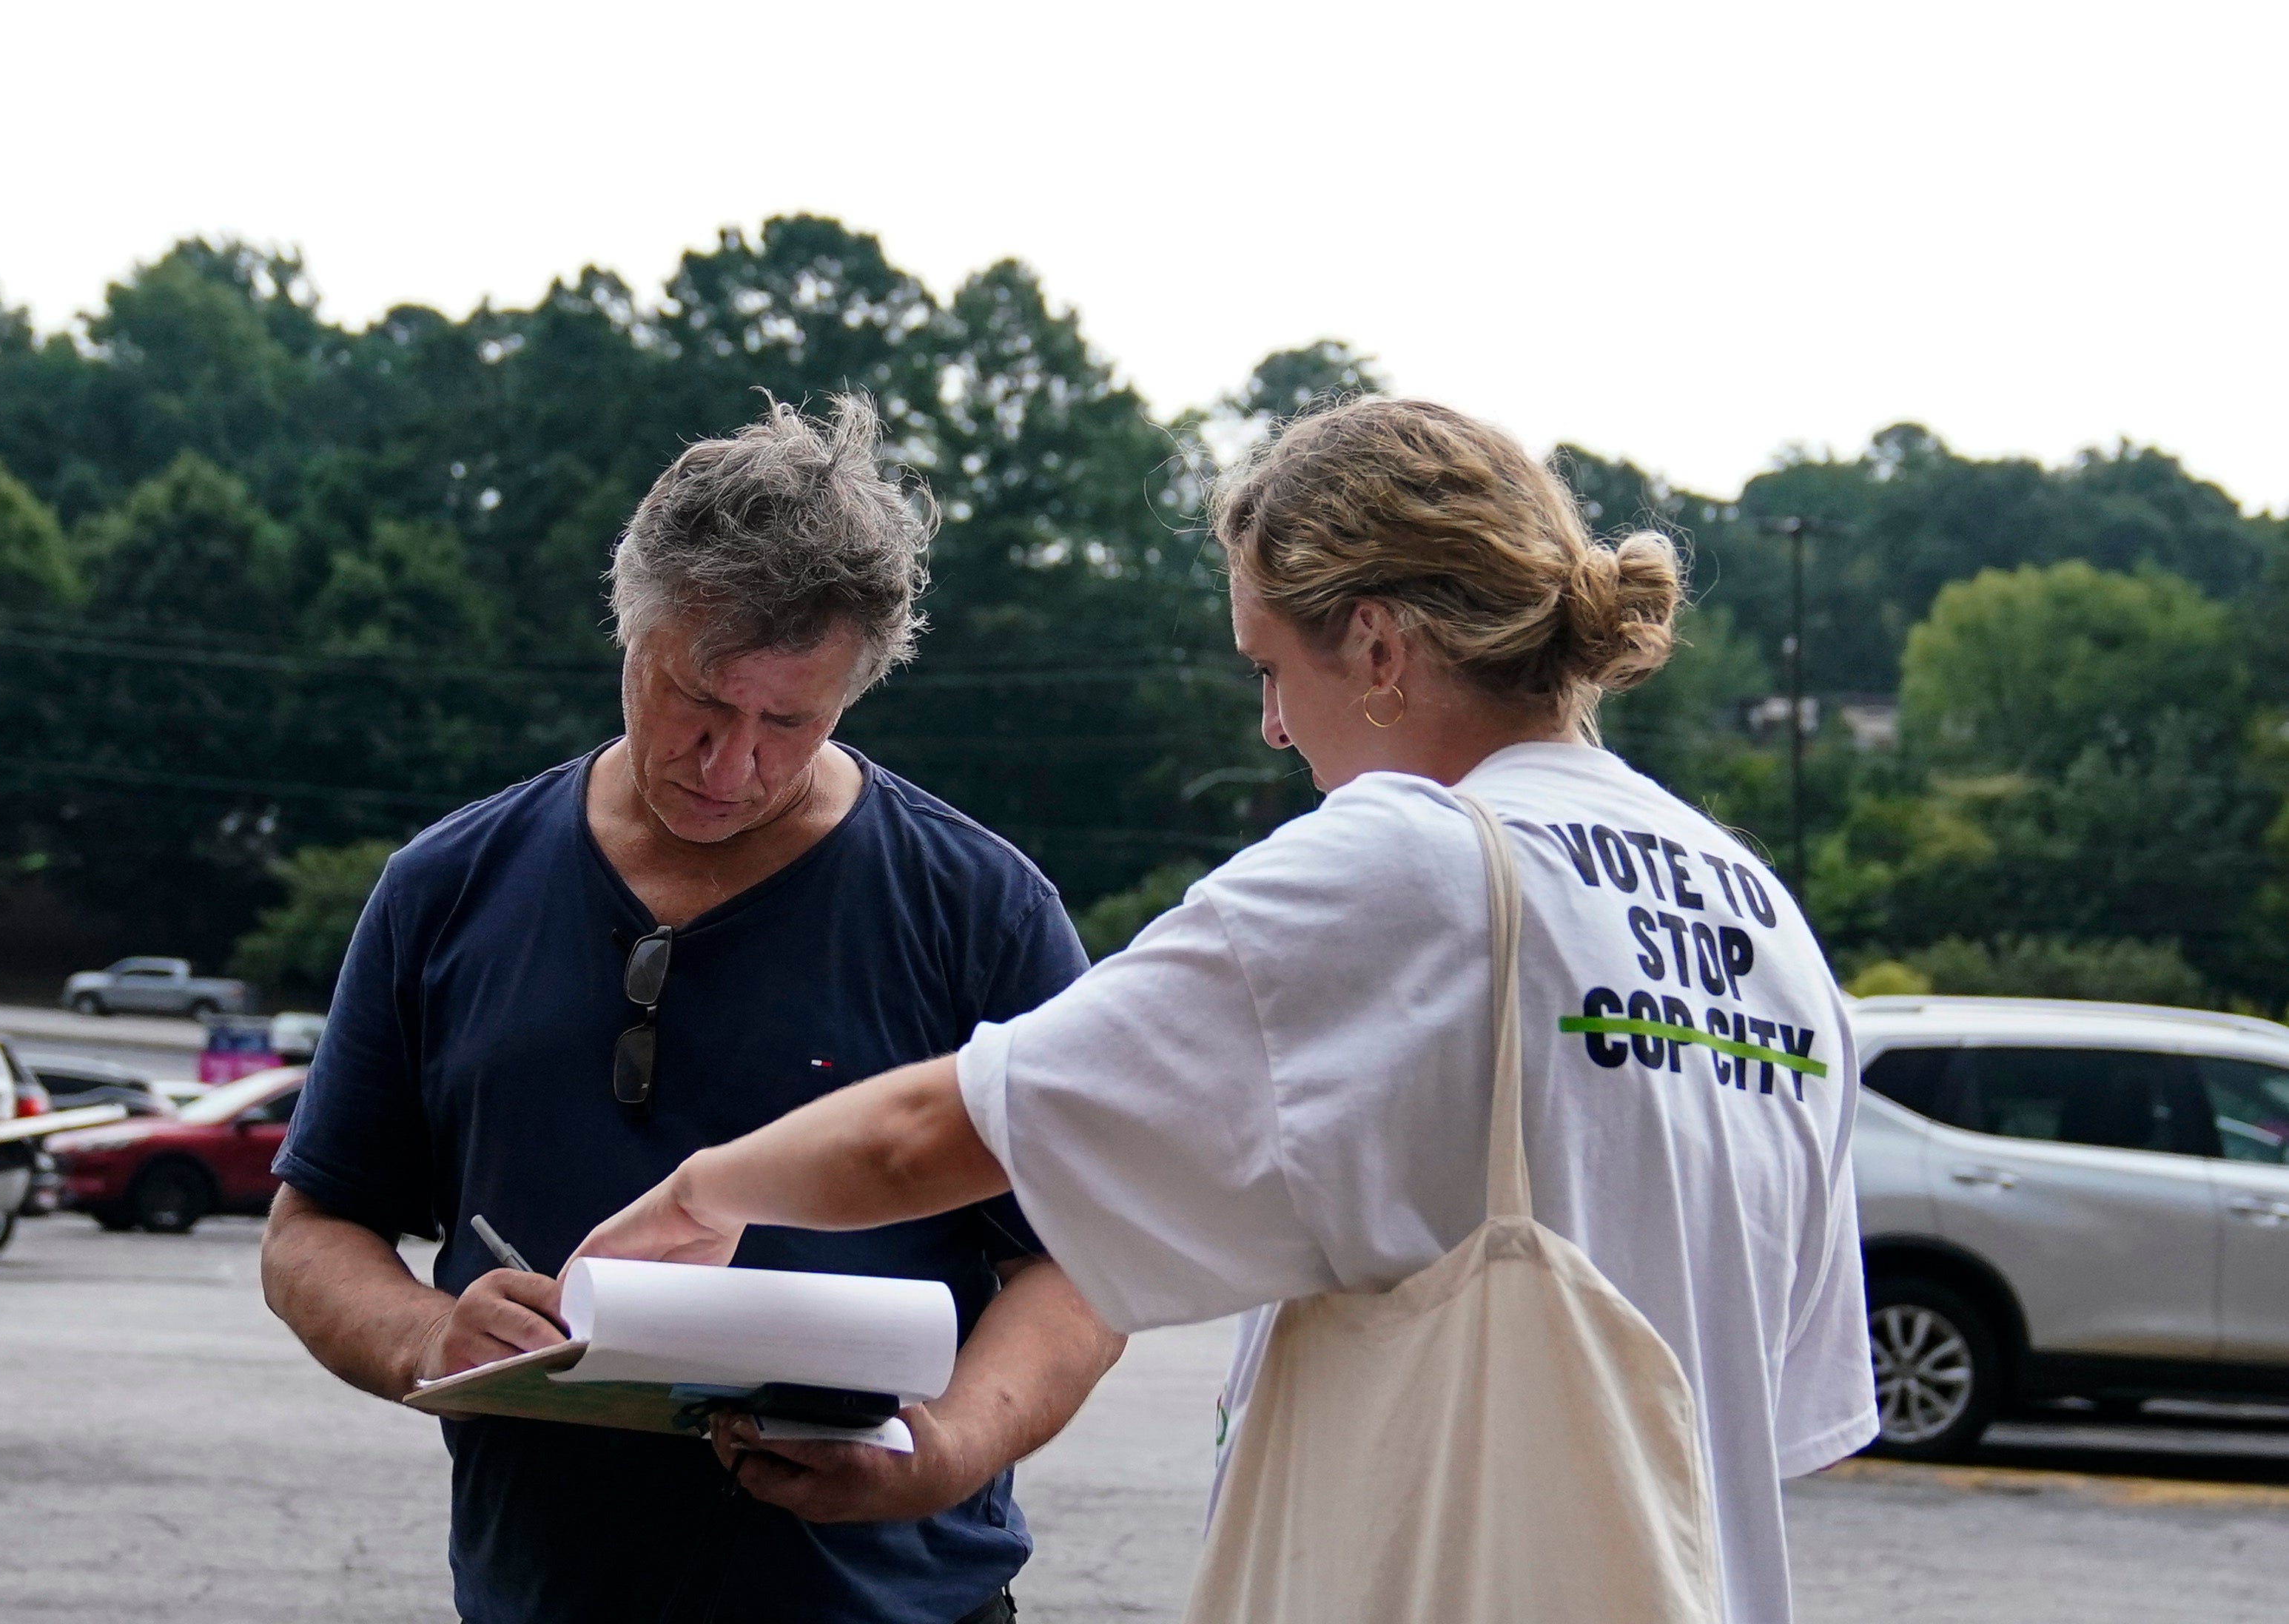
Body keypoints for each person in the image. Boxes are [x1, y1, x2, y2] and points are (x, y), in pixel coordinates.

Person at [579, 397, 1880, 1623]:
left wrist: (704, 1192)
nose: (1272, 727)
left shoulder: (1408, 861)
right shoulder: (1762, 916)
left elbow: (945, 1130)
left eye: (1268, 666)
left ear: (1377, 648)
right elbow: (1789, 1412)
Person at [259, 397, 1124, 1624]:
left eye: (790, 722)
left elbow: (1082, 1262)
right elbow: (311, 1231)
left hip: (897, 1605)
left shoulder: (981, 910)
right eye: (696, 702)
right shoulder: (443, 888)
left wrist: (943, 1453)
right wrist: (425, 1335)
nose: (731, 765)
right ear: (629, 629)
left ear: (856, 691)